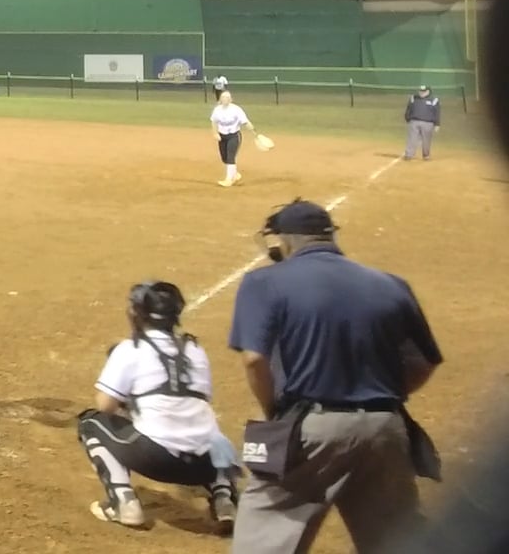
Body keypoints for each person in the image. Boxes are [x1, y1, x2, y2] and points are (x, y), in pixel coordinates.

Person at [227, 199, 443, 553]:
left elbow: (254, 360)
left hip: (311, 428)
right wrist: (380, 401)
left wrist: (276, 412)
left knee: (265, 531)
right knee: (396, 543)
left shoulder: (264, 281)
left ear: (283, 240)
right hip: (386, 428)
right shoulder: (391, 284)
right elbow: (424, 363)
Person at [77, 281, 241, 531]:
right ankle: (224, 497)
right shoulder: (195, 350)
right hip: (206, 466)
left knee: (91, 422)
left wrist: (130, 406)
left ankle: (122, 502)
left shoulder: (130, 349)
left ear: (137, 314)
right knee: (215, 437)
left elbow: (105, 404)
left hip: (157, 460)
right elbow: (199, 399)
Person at [210, 89, 259, 187]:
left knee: (230, 157)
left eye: (227, 97)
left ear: (231, 99)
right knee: (224, 158)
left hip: (234, 136)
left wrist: (253, 131)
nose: (225, 99)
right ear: (220, 99)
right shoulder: (217, 110)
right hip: (222, 136)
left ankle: (229, 179)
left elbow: (245, 122)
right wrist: (215, 133)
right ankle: (235, 174)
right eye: (223, 97)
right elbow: (214, 121)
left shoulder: (236, 110)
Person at [403, 86, 440, 161]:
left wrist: (437, 124)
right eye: (420, 91)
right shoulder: (413, 98)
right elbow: (408, 109)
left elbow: (437, 112)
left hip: (428, 123)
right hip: (414, 121)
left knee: (426, 140)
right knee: (412, 138)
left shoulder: (434, 100)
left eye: (424, 91)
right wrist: (407, 118)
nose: (421, 93)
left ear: (428, 91)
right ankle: (409, 154)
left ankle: (426, 155)